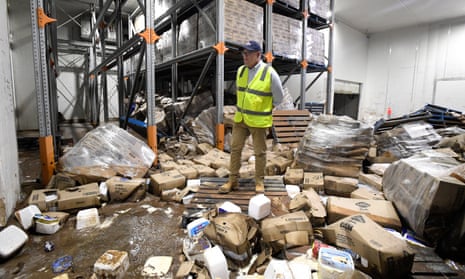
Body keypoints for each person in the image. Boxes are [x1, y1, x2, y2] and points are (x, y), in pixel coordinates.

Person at [219, 40, 284, 194]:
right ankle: (232, 181)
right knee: (235, 149)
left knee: (259, 153)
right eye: (243, 53)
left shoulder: (269, 73)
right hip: (241, 119)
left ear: (258, 54)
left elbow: (279, 98)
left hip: (259, 121)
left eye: (248, 53)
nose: (245, 56)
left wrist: (265, 108)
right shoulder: (241, 71)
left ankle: (259, 181)